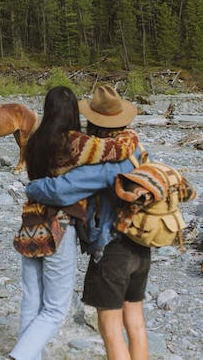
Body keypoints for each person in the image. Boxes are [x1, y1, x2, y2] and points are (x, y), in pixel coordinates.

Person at [9, 86, 139, 360]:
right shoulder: (75, 142)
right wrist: (131, 138)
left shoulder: (34, 140)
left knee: (32, 301)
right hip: (59, 226)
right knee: (56, 309)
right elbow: (115, 150)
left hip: (30, 222)